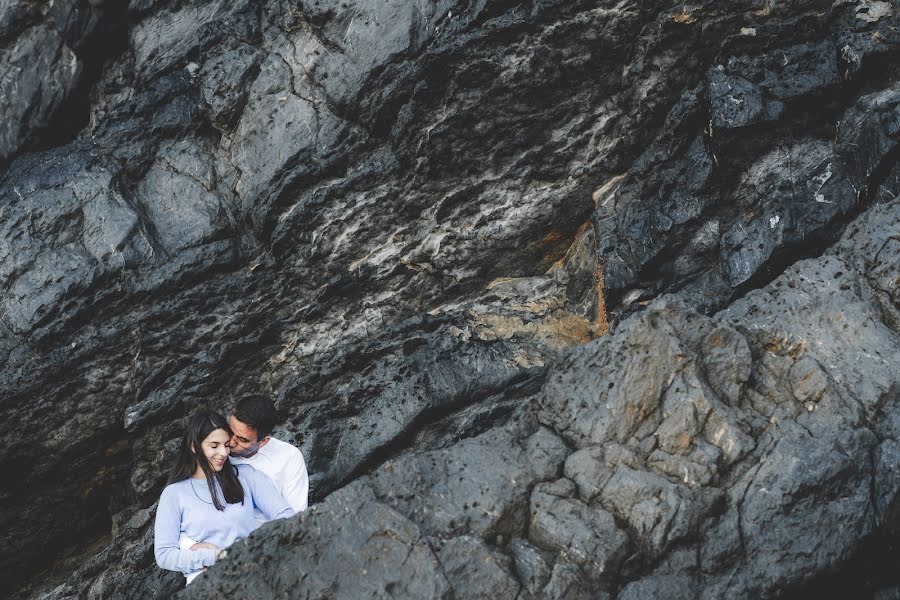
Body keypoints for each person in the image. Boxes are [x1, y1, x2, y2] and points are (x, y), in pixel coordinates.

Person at [154, 410, 294, 585]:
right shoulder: (174, 494)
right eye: (214, 446)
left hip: (256, 571)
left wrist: (260, 547)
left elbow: (286, 515)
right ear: (193, 446)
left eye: (227, 444)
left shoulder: (245, 476)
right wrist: (211, 556)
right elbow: (164, 555)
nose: (223, 452)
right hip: (208, 583)